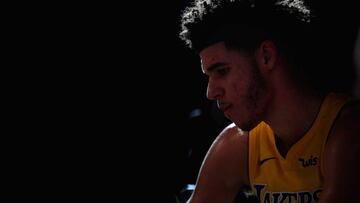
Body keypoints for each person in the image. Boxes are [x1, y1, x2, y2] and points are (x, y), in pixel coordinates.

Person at [179, 0, 360, 202]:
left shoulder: (347, 132)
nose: (211, 92)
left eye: (222, 71)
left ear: (266, 56)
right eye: (209, 77)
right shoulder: (240, 143)